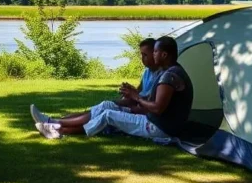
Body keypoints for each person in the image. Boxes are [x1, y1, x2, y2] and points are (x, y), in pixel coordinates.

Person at [31, 36, 193, 141]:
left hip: (158, 128)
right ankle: (56, 126)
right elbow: (153, 104)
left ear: (164, 55)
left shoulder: (169, 76)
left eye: (156, 52)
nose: (153, 55)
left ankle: (57, 129)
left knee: (107, 115)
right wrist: (132, 97)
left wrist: (136, 97)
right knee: (107, 111)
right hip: (155, 123)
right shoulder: (169, 72)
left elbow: (157, 108)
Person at [30, 37, 158, 128]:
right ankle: (54, 121)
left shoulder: (161, 76)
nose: (142, 59)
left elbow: (145, 100)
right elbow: (139, 92)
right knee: (95, 110)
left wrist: (132, 96)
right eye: (141, 55)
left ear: (155, 54)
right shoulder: (147, 71)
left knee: (103, 108)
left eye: (145, 55)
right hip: (135, 105)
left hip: (139, 111)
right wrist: (129, 90)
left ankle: (53, 122)